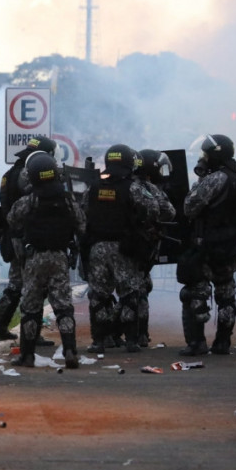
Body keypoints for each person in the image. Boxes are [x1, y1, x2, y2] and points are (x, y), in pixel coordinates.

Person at [7, 153, 86, 368]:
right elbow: (81, 226)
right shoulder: (67, 200)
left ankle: (27, 355)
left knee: (31, 307)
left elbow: (12, 219)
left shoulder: (29, 201)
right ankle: (70, 350)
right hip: (60, 257)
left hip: (35, 258)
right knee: (63, 306)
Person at [82, 144, 159, 354]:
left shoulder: (95, 186)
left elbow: (84, 211)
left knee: (98, 295)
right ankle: (132, 341)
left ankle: (98, 341)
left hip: (98, 248)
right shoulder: (133, 187)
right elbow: (154, 208)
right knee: (129, 294)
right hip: (124, 248)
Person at [179, 134, 236, 355]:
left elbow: (189, 208)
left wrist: (199, 181)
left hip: (205, 246)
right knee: (226, 294)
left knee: (195, 293)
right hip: (231, 247)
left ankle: (197, 343)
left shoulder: (213, 180)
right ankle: (222, 343)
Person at [0, 137, 57, 342]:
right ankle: (32, 334)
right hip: (27, 237)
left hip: (13, 235)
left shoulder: (9, 173)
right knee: (34, 285)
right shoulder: (28, 174)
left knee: (16, 284)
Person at [132, 149, 177, 347]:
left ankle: (110, 335)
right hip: (141, 246)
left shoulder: (123, 185)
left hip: (116, 246)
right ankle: (140, 335)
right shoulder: (149, 188)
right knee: (140, 288)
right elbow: (169, 212)